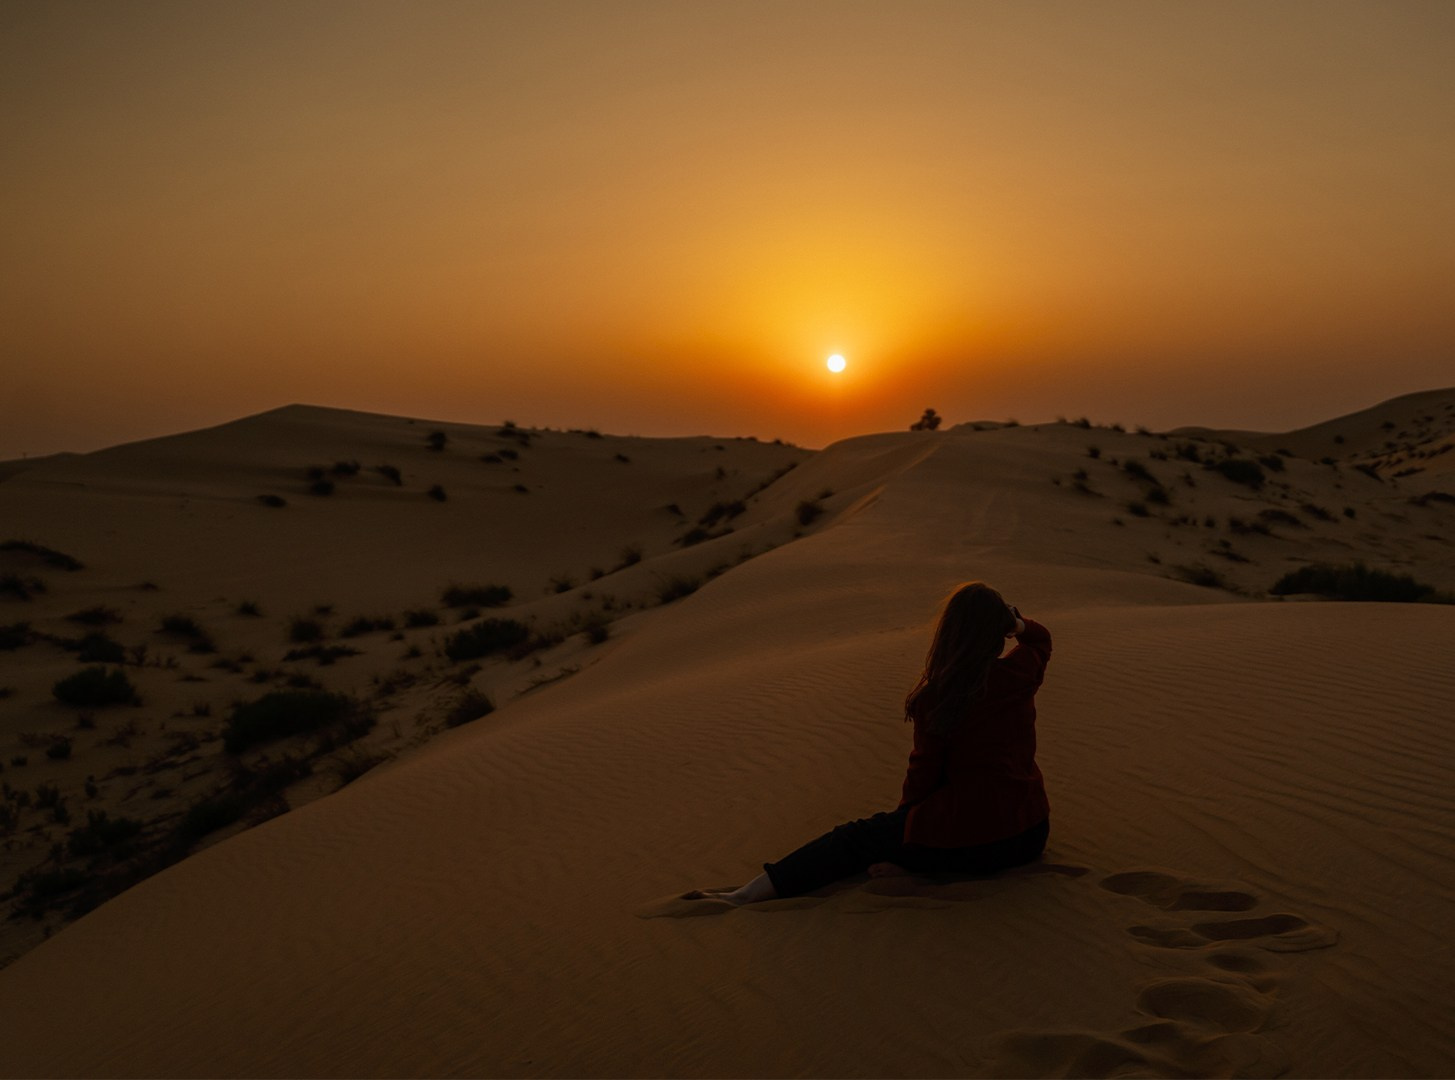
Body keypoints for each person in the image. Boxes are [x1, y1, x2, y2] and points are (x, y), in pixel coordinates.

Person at [692, 581, 1052, 906]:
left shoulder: (937, 698)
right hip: (1030, 836)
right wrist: (1017, 624)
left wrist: (904, 829)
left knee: (853, 839)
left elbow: (922, 777)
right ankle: (916, 866)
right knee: (915, 833)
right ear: (998, 632)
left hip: (974, 843)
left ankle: (745, 895)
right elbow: (1040, 640)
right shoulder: (1019, 673)